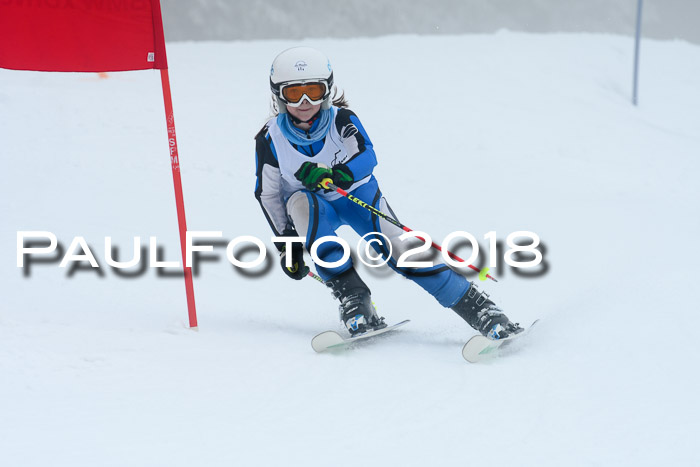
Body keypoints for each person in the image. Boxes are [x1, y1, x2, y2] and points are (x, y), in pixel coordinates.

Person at [254, 46, 522, 339]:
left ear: (327, 90)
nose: (305, 102)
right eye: (294, 94)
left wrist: (338, 174)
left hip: (356, 196)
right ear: (279, 95)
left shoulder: (341, 119)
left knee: (399, 250)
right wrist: (287, 244)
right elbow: (267, 194)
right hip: (311, 206)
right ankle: (355, 301)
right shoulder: (270, 137)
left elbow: (367, 156)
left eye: (314, 91)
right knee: (305, 210)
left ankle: (478, 308)